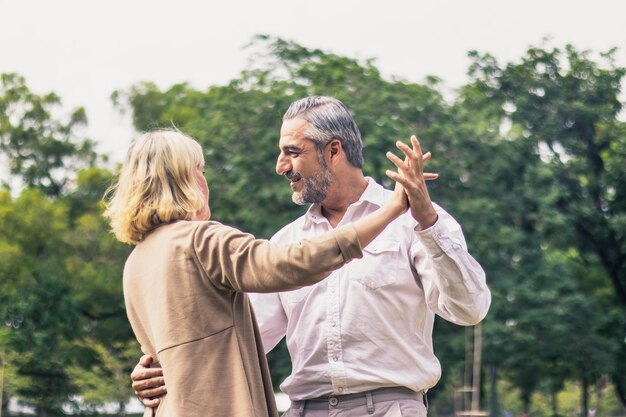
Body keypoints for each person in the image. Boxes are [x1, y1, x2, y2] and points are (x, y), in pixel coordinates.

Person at [131, 97, 491, 417]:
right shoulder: (286, 243)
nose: (280, 166)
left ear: (332, 151)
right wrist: (162, 366)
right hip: (303, 409)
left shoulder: (417, 220)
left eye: (292, 152)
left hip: (390, 408)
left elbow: (469, 309)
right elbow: (240, 333)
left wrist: (426, 220)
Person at [104, 128, 416, 417]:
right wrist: (390, 210)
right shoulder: (202, 241)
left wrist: (142, 371)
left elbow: (163, 356)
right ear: (183, 179)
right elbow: (293, 264)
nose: (204, 180)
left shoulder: (136, 261)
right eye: (200, 170)